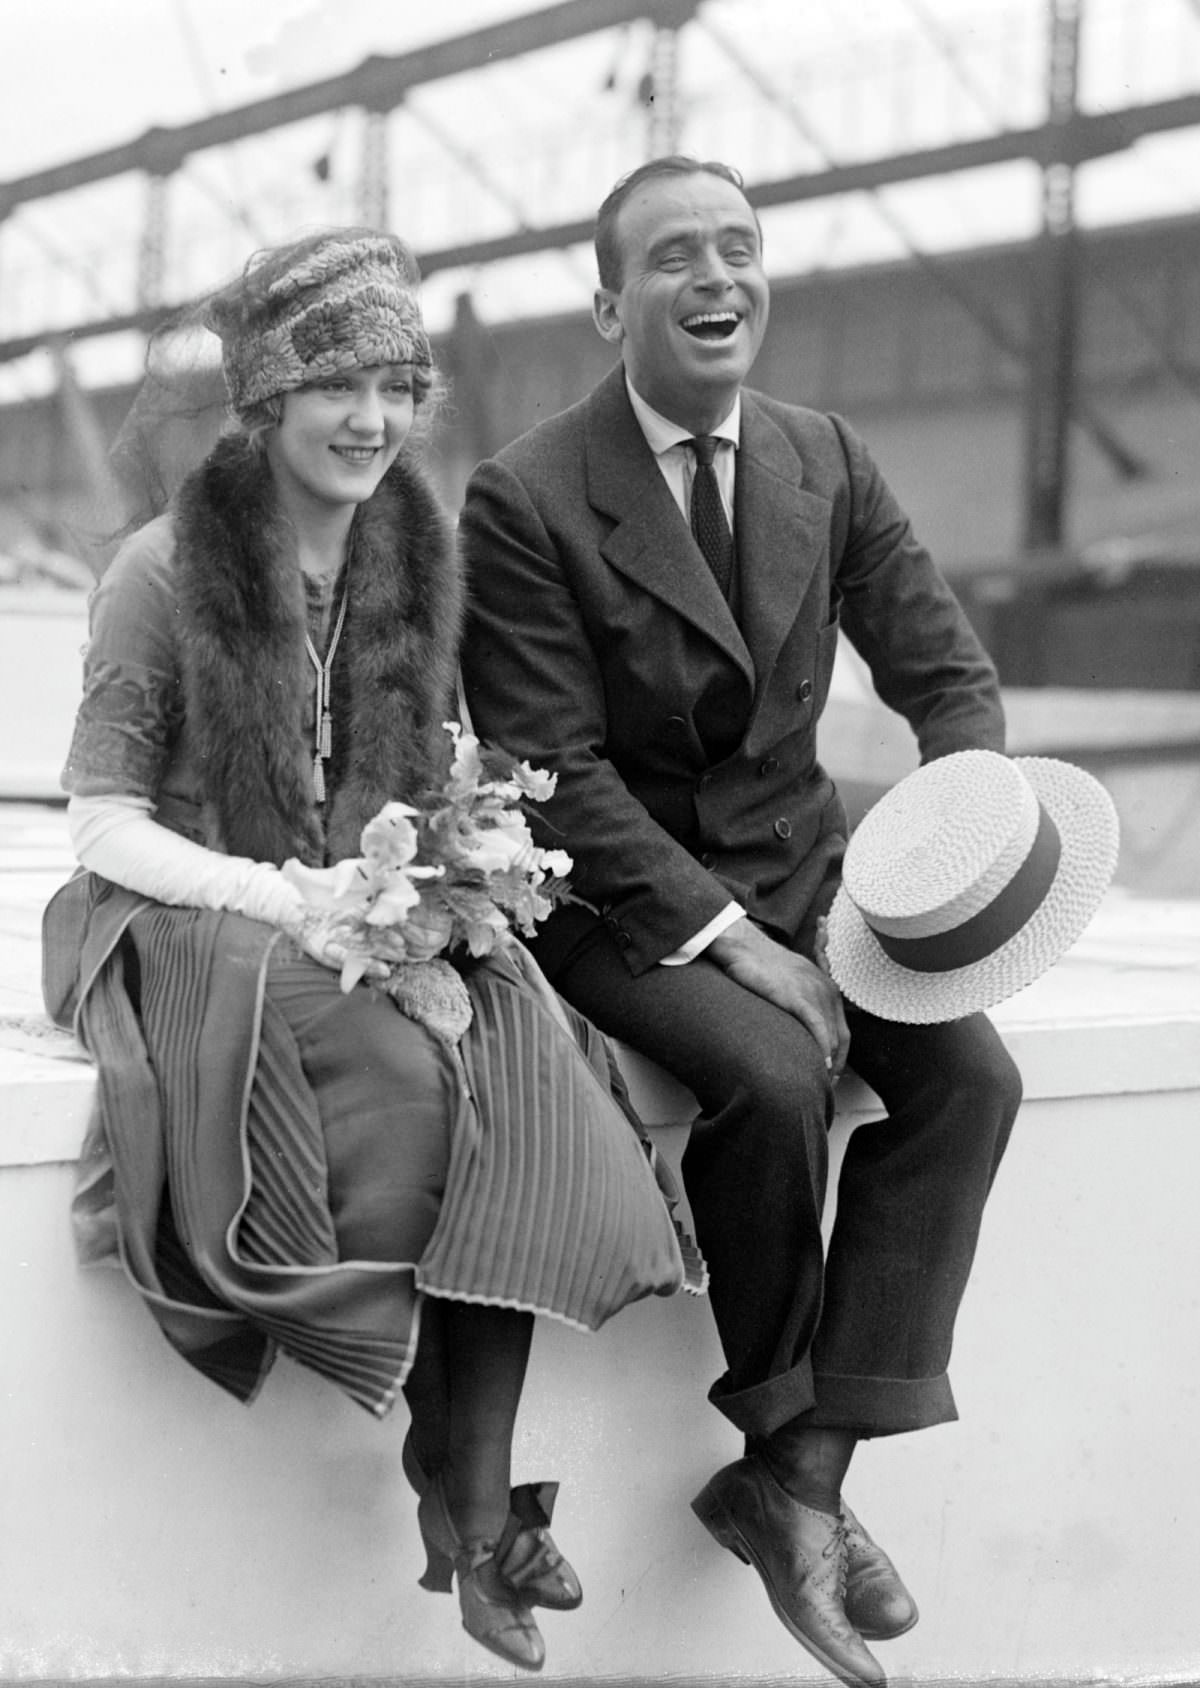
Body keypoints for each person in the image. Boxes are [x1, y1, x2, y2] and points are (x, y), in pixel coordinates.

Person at [41, 227, 699, 1676]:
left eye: (399, 385)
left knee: (522, 1058)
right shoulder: (164, 573)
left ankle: (466, 1495)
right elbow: (99, 826)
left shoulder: (421, 552)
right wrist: (290, 903)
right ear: (267, 401)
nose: (372, 419)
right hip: (191, 908)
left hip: (367, 893)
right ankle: (471, 1505)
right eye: (338, 383)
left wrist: (461, 849)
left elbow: (425, 756)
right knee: (408, 1084)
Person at [458, 157, 1023, 1688]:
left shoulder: (822, 456)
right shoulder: (522, 496)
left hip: (813, 882)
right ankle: (782, 1444)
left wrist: (943, 855)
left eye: (742, 249)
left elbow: (947, 680)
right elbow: (553, 775)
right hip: (619, 906)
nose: (719, 278)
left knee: (972, 1078)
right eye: (675, 257)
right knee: (768, 1078)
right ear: (607, 303)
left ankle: (805, 1472)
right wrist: (741, 945)